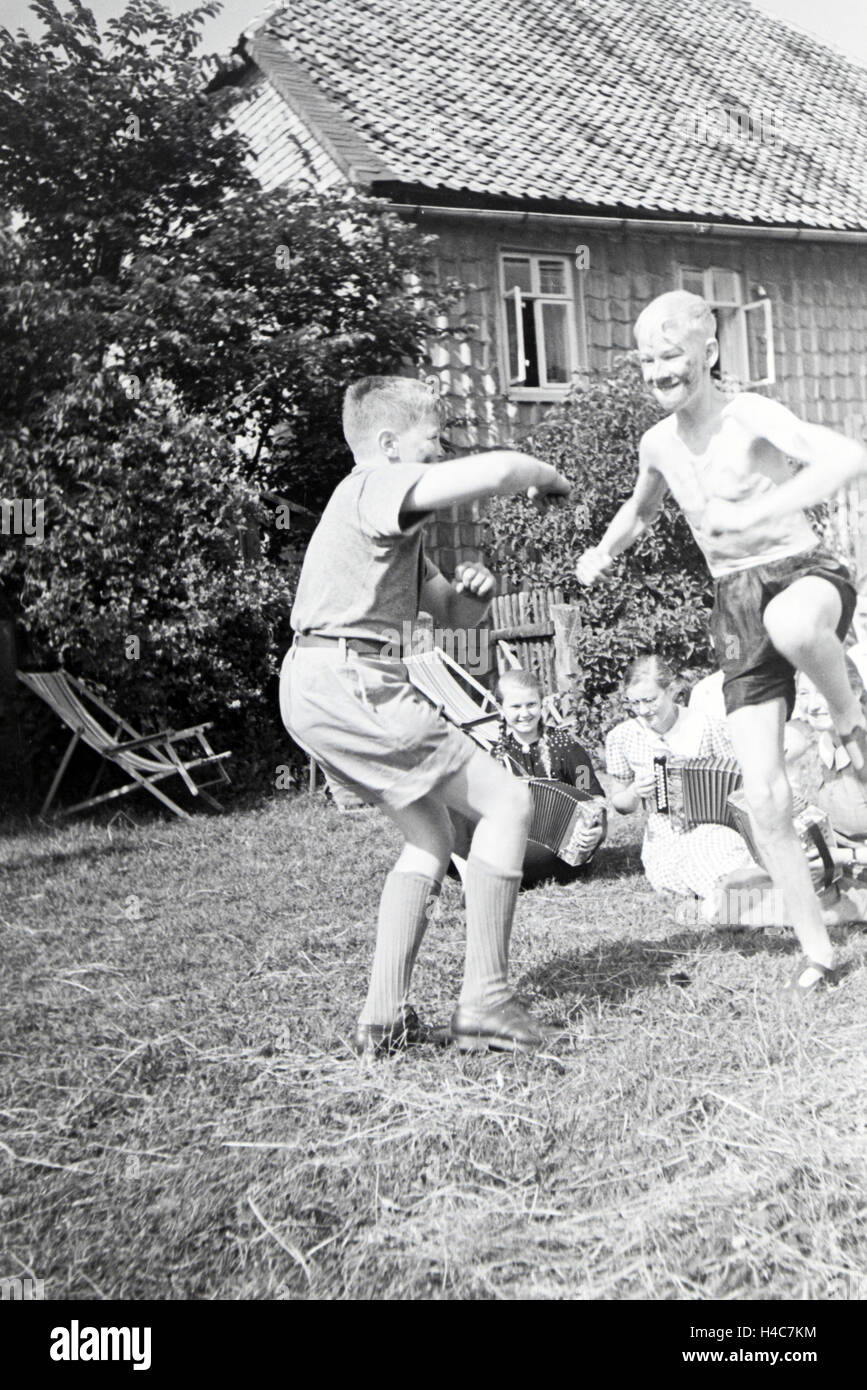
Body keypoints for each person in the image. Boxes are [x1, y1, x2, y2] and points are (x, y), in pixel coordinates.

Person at [577, 289, 867, 996]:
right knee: (763, 795)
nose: (658, 370)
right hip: (733, 604)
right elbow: (638, 508)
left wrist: (768, 505)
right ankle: (817, 952)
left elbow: (847, 457)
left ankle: (850, 712)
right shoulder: (657, 444)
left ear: (707, 353)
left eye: (671, 354)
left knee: (794, 626)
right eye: (646, 359)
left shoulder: (750, 416)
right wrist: (603, 552)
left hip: (802, 572)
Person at [279, 375, 571, 1055]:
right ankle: (487, 1003)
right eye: (432, 435)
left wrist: (476, 593)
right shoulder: (372, 485)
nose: (440, 449)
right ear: (386, 443)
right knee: (504, 802)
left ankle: (382, 1017)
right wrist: (546, 475)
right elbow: (498, 470)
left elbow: (445, 610)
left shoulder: (387, 518)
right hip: (355, 678)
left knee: (430, 835)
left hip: (319, 682)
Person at [605, 654, 749, 901]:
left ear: (671, 690)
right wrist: (634, 792)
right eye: (634, 703)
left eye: (650, 700)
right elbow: (621, 805)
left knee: (719, 860)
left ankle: (737, 902)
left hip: (713, 826)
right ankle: (733, 902)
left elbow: (738, 783)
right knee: (673, 881)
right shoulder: (622, 737)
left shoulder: (707, 726)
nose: (642, 711)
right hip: (663, 833)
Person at [449, 668, 607, 884]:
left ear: (541, 704)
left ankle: (479, 870)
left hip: (556, 851)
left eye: (531, 705)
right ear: (500, 708)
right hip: (508, 839)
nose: (524, 714)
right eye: (515, 706)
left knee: (496, 855)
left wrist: (596, 833)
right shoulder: (494, 753)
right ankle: (474, 870)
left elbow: (595, 800)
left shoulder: (568, 749)